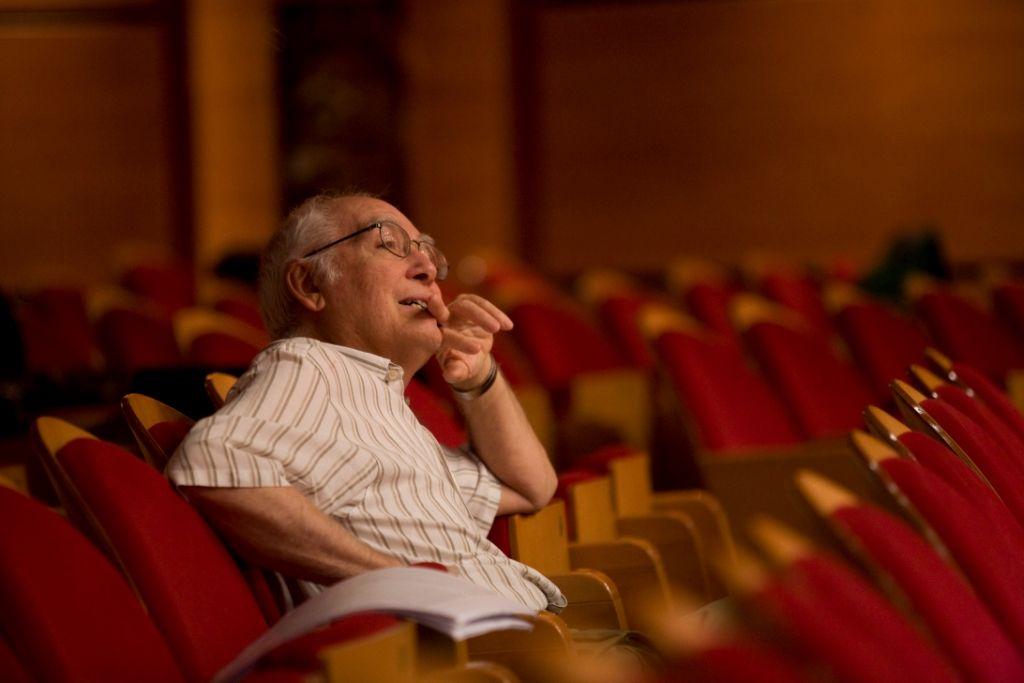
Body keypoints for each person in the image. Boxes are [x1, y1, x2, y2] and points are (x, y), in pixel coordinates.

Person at [166, 191, 566, 612]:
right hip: (487, 659)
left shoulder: (372, 402)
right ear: (310, 284)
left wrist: (479, 374)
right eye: (389, 244)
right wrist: (398, 583)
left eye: (428, 254)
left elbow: (531, 486)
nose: (429, 268)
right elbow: (213, 461)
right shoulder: (312, 366)